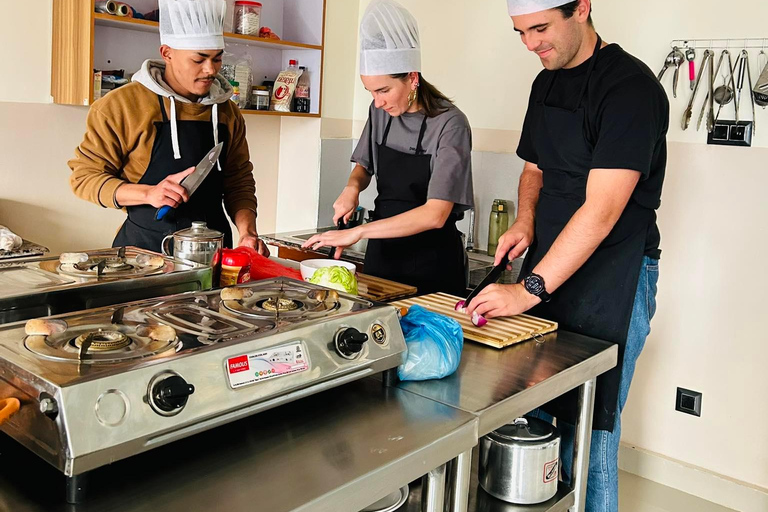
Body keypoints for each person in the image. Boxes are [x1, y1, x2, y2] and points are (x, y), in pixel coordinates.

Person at [466, 1, 668, 510]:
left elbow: (601, 211)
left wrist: (528, 288)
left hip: (614, 277)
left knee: (592, 427)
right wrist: (525, 220)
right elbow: (534, 167)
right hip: (553, 267)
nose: (531, 45)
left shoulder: (629, 89)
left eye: (540, 28)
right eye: (520, 32)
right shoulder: (546, 82)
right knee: (538, 410)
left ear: (582, 8)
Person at [68, 0, 268, 255]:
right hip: (143, 254)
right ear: (166, 53)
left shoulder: (228, 112)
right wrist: (148, 193)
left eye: (217, 59)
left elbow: (238, 180)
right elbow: (84, 178)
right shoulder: (121, 106)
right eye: (199, 59)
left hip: (213, 251)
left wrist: (248, 232)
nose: (210, 70)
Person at [302, 0, 473, 296]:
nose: (377, 102)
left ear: (412, 78)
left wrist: (359, 232)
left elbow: (435, 214)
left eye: (383, 91)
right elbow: (364, 166)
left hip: (432, 263)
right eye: (370, 91)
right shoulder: (380, 111)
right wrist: (352, 188)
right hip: (383, 257)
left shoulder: (451, 124)